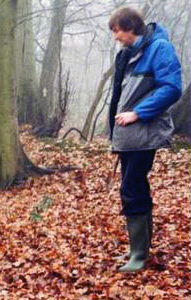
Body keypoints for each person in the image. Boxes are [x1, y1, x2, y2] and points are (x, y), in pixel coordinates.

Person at [108, 7, 182, 272]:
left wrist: (138, 113)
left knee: (131, 188)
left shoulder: (159, 48)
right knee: (134, 187)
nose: (115, 36)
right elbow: (119, 96)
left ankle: (139, 255)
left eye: (117, 30)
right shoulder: (128, 54)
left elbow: (172, 88)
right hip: (129, 136)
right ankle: (139, 250)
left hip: (145, 132)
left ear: (130, 27)